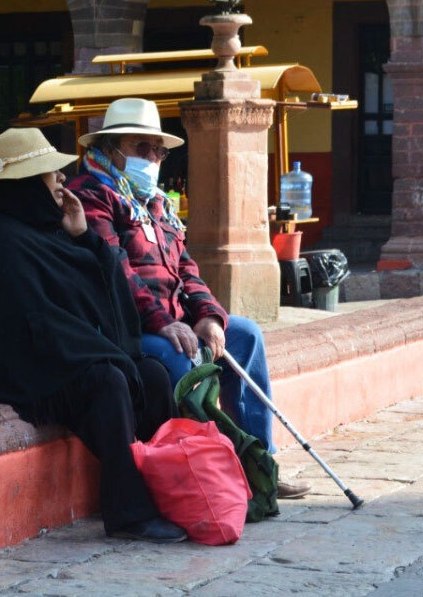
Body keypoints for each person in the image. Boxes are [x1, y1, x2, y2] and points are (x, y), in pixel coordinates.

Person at [66, 98, 311, 499]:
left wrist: (208, 315)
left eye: (158, 150)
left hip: (174, 321)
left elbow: (187, 268)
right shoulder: (92, 194)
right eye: (141, 148)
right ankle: (210, 476)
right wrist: (164, 322)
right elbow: (117, 273)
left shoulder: (155, 202)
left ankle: (259, 463)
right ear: (111, 149)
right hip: (124, 327)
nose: (153, 157)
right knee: (182, 359)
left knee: (245, 335)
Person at [0, 127, 186, 543]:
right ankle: (127, 513)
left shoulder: (51, 228)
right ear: (25, 184)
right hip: (12, 364)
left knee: (149, 374)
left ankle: (163, 491)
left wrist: (84, 235)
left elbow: (104, 290)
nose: (62, 180)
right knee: (108, 379)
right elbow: (30, 320)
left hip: (57, 350)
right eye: (49, 173)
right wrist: (101, 355)